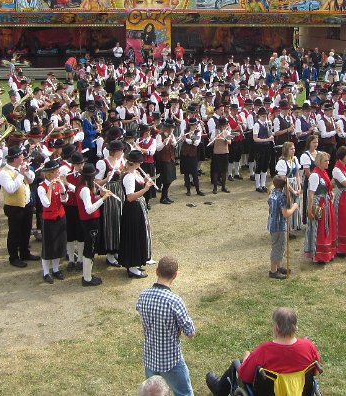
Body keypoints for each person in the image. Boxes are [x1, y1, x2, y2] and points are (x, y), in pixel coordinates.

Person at [205, 308, 320, 396]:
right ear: (295, 327)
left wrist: (246, 358)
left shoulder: (264, 351)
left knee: (238, 362)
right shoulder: (308, 346)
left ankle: (219, 389)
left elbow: (244, 376)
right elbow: (314, 371)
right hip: (302, 392)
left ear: (277, 328)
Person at [136, 255, 196, 396]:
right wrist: (178, 328)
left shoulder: (143, 295)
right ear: (175, 275)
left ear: (156, 271)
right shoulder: (175, 301)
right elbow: (191, 332)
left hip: (150, 357)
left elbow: (139, 310)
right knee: (184, 393)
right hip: (171, 361)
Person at [0, 145, 38, 267]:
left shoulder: (20, 168)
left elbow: (31, 180)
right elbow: (10, 189)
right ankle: (14, 257)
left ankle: (25, 252)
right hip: (14, 206)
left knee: (26, 231)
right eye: (21, 157)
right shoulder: (4, 173)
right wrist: (20, 174)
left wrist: (27, 172)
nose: (23, 159)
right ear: (15, 159)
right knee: (15, 233)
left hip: (26, 205)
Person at [120, 150, 154, 278]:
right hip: (133, 208)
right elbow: (130, 197)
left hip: (138, 207)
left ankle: (136, 263)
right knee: (134, 235)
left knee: (139, 234)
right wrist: (145, 189)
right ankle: (132, 267)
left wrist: (145, 180)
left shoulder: (135, 172)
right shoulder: (128, 176)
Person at [37, 159, 67, 283]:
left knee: (58, 245)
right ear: (50, 174)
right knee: (49, 246)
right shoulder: (41, 187)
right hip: (49, 219)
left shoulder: (58, 183)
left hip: (60, 217)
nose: (58, 174)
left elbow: (64, 199)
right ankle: (46, 272)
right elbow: (46, 203)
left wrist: (61, 187)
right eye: (56, 172)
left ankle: (55, 269)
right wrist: (50, 188)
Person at [303, 151, 335, 264]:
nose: (328, 163)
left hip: (326, 202)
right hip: (319, 204)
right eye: (325, 161)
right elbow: (311, 194)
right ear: (319, 162)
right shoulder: (315, 175)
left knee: (326, 228)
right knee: (319, 229)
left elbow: (327, 187)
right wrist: (310, 210)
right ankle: (318, 254)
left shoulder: (324, 173)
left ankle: (326, 253)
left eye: (328, 160)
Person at [267, 174, 298, 279]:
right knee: (277, 248)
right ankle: (273, 270)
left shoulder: (272, 194)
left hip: (272, 224)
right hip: (279, 226)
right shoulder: (281, 197)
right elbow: (285, 214)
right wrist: (294, 207)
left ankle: (278, 266)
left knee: (279, 246)